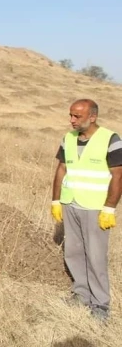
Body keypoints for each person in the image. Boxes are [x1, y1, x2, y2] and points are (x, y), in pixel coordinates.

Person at [51, 99, 121, 322]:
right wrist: (56, 201)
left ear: (92, 117)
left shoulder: (111, 139)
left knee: (96, 256)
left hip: (95, 208)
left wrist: (109, 207)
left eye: (77, 116)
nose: (72, 120)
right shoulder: (68, 139)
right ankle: (81, 294)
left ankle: (100, 304)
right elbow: (61, 169)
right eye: (70, 115)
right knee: (73, 251)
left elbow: (118, 175)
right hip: (71, 204)